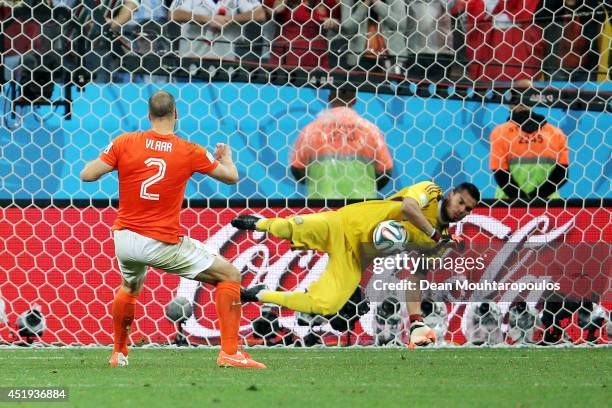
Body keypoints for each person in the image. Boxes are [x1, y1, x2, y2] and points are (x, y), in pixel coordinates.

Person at [80, 90, 265, 369]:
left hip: (125, 238)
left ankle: (119, 353)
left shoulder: (124, 142)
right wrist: (226, 157)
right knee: (230, 275)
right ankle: (229, 352)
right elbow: (231, 178)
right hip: (160, 241)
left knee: (130, 287)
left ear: (149, 116)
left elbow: (87, 175)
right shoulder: (189, 150)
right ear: (176, 114)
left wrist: (113, 159)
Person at [232, 181, 480, 348]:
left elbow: (415, 276)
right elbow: (408, 206)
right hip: (342, 223)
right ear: (451, 194)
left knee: (326, 304)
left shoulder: (438, 243)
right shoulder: (431, 191)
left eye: (468, 210)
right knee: (290, 227)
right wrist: (436, 236)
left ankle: (259, 294)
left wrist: (416, 321)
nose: (462, 211)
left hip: (354, 257)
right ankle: (259, 223)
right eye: (460, 202)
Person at [290, 87, 393, 199]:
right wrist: (366, 187)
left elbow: (297, 169)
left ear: (330, 98)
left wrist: (318, 182)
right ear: (354, 100)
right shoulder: (371, 130)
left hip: (321, 205)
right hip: (361, 205)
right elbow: (385, 171)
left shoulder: (311, 130)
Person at [490, 90, 569, 201]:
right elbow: (562, 174)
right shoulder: (556, 133)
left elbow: (500, 175)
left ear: (509, 104)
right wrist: (535, 199)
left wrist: (523, 201)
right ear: (534, 100)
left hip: (507, 204)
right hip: (548, 204)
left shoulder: (500, 132)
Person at [170, 0, 266, 60]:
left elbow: (260, 14)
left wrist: (230, 19)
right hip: (191, 59)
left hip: (224, 62)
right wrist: (208, 19)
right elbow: (173, 14)